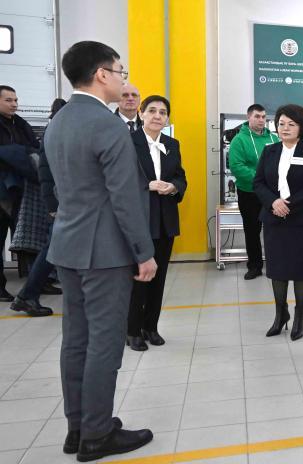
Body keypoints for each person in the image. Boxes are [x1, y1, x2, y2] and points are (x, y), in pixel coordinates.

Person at [44, 41, 156, 461]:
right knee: (105, 343)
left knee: (75, 340)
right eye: (120, 71)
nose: (124, 79)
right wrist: (143, 252)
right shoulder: (107, 126)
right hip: (105, 252)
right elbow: (124, 197)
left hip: (68, 246)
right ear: (101, 74)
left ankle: (78, 427)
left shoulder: (59, 121)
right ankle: (97, 434)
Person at [253, 104, 303, 341]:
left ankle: (300, 315)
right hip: (273, 218)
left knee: (300, 269)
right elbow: (258, 183)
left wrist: (289, 204)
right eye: (281, 124)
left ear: (301, 127)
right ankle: (280, 314)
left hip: (301, 220)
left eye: (291, 124)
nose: (285, 128)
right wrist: (274, 202)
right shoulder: (269, 151)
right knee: (277, 269)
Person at [126, 95, 187, 351]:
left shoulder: (172, 144)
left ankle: (151, 326)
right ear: (141, 114)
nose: (157, 116)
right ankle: (132, 330)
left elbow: (181, 177)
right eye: (152, 111)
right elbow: (119, 180)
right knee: (139, 277)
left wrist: (173, 187)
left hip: (165, 220)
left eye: (163, 112)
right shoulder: (128, 142)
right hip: (139, 219)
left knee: (159, 278)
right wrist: (146, 185)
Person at [9, 98, 68, 317]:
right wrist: (53, 205)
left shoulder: (54, 131)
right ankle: (27, 296)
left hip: (61, 202)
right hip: (62, 203)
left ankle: (30, 293)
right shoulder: (56, 132)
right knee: (52, 248)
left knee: (52, 248)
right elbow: (46, 171)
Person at [0, 85, 41, 303]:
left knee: (29, 237)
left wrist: (20, 153)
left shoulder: (20, 123)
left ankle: (38, 281)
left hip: (22, 191)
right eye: (8, 100)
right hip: (3, 192)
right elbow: (14, 153)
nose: (14, 104)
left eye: (15, 100)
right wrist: (21, 153)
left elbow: (35, 149)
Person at [229, 104, 279, 280]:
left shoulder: (274, 138)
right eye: (257, 116)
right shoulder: (239, 140)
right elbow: (236, 166)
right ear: (248, 117)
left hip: (272, 194)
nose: (261, 120)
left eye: (264, 117)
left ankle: (276, 264)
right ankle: (255, 266)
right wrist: (261, 179)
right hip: (249, 193)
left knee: (274, 229)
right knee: (252, 231)